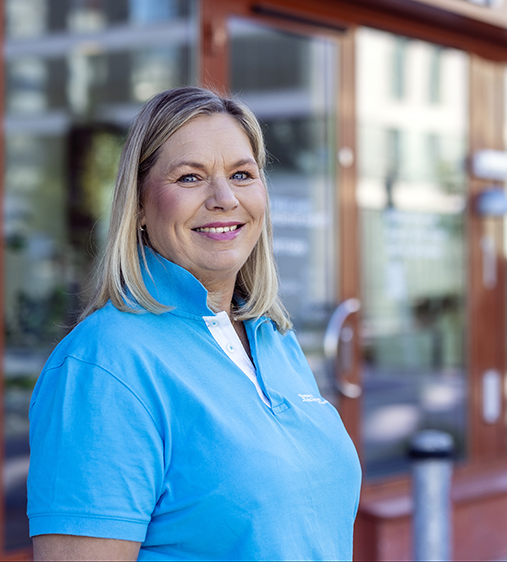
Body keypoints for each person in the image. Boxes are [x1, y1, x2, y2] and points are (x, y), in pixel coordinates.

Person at [27, 86, 361, 561]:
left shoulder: (273, 338)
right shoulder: (105, 363)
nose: (224, 198)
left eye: (242, 174)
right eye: (190, 177)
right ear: (140, 206)